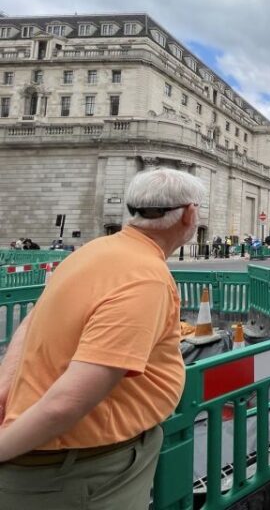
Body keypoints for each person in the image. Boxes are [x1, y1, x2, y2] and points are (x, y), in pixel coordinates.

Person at [0, 168, 205, 509]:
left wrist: (4, 387)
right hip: (84, 471)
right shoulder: (146, 278)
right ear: (189, 214)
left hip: (56, 458)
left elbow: (32, 319)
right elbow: (68, 402)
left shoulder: (89, 252)